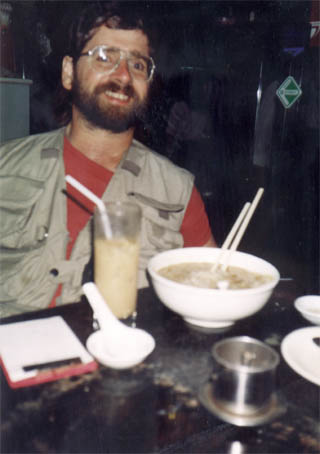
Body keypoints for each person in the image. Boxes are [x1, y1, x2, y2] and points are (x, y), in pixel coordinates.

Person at [0, 2, 216, 317]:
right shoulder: (5, 168)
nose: (123, 75)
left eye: (138, 64)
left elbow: (212, 291)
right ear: (69, 72)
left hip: (126, 359)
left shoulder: (178, 191)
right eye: (105, 56)